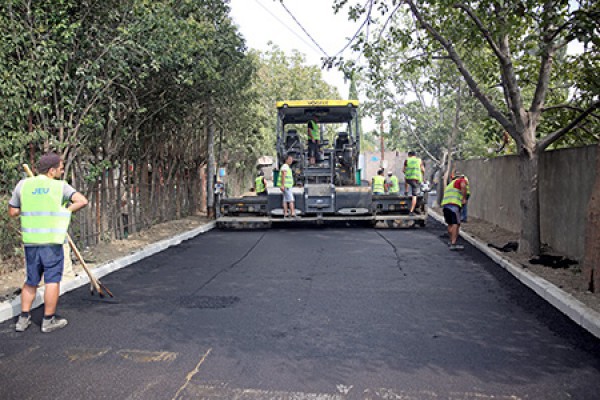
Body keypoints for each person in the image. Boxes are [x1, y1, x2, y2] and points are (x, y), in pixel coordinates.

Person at [8, 152, 88, 333]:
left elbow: (12, 212)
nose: (62, 170)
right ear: (51, 170)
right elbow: (82, 201)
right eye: (60, 168)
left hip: (31, 242)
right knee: (52, 280)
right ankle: (48, 320)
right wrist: (65, 210)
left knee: (31, 280)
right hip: (52, 243)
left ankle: (23, 319)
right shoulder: (60, 187)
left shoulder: (23, 185)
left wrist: (29, 208)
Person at [441, 171, 468, 251]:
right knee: (456, 223)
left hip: (446, 206)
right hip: (454, 206)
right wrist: (464, 198)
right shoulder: (460, 180)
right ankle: (453, 243)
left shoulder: (450, 185)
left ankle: (451, 241)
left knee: (450, 224)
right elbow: (463, 186)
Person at [403, 151, 425, 215]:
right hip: (416, 180)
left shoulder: (407, 160)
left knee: (405, 178)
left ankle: (406, 191)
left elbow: (403, 170)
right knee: (414, 196)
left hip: (408, 179)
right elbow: (423, 170)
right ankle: (411, 211)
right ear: (415, 155)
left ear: (409, 155)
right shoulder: (419, 160)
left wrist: (407, 173)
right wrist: (423, 176)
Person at [280, 154, 297, 219]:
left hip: (286, 186)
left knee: (285, 200)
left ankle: (286, 213)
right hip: (286, 186)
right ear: (286, 160)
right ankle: (292, 213)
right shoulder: (285, 167)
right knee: (291, 200)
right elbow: (283, 176)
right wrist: (282, 185)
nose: (291, 160)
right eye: (290, 159)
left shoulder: (286, 166)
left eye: (291, 159)